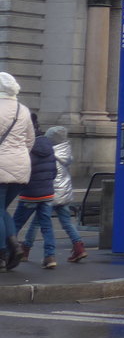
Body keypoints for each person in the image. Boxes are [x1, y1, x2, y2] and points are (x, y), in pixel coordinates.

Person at [18, 125, 86, 264]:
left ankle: (26, 249)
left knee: (36, 223)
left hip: (49, 193)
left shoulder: (48, 151)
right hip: (64, 193)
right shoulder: (66, 151)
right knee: (67, 222)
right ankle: (78, 246)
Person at [0, 71, 35, 272]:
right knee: (2, 210)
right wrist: (18, 157)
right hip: (21, 166)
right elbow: (30, 140)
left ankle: (3, 252)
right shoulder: (23, 110)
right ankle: (14, 245)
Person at [11, 114, 57, 268]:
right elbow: (54, 171)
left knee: (15, 224)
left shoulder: (26, 145)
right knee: (47, 226)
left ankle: (10, 252)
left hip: (30, 193)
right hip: (47, 193)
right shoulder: (47, 143)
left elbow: (22, 169)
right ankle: (50, 257)